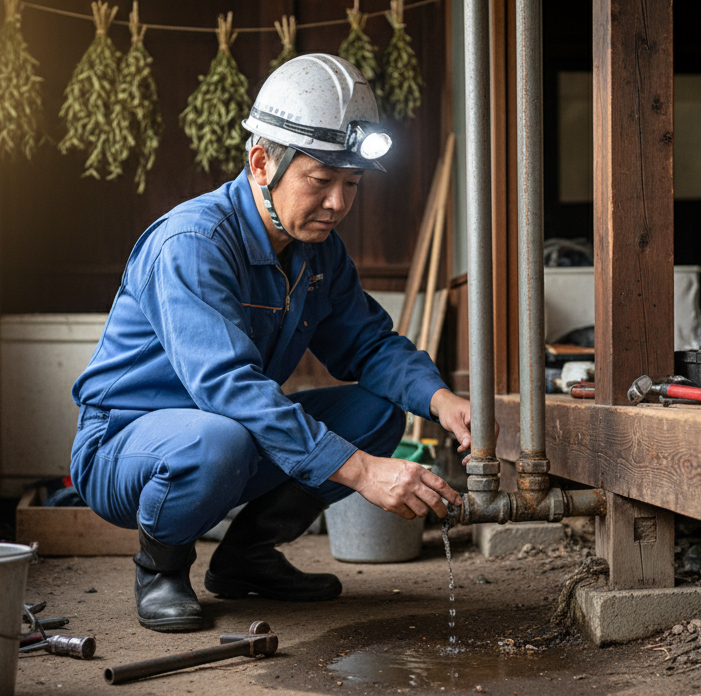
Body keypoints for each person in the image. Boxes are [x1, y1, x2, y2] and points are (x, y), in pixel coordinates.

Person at [70, 54, 473, 633]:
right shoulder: (193, 242)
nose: (338, 204)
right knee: (221, 437)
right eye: (320, 181)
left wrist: (440, 399)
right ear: (262, 162)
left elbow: (368, 345)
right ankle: (160, 567)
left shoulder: (319, 253)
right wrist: (361, 473)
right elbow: (228, 388)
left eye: (352, 184)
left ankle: (246, 559)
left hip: (224, 432)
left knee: (379, 411)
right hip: (125, 446)